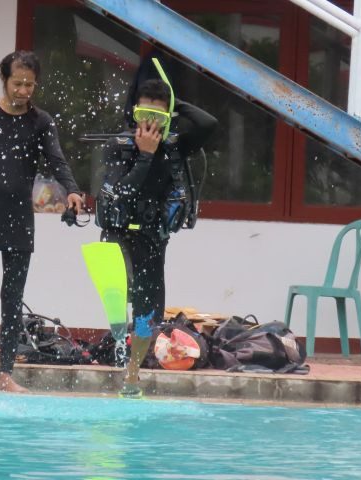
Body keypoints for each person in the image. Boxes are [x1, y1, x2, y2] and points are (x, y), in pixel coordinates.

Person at [0, 51, 85, 393]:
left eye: (30, 85)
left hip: (18, 221)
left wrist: (72, 190)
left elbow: (57, 160)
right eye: (18, 83)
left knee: (12, 299)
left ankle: (5, 375)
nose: (24, 91)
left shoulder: (41, 122)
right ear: (4, 79)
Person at [98, 77, 217, 399]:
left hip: (153, 239)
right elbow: (119, 193)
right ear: (133, 113)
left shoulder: (176, 146)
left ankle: (131, 375)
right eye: (143, 115)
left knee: (147, 315)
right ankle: (118, 349)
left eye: (158, 117)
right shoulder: (119, 146)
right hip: (118, 236)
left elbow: (209, 124)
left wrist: (176, 105)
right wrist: (145, 156)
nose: (149, 124)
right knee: (122, 298)